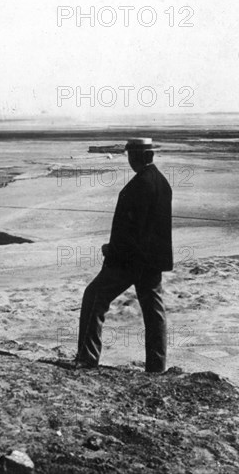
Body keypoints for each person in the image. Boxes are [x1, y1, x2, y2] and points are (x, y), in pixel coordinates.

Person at [76, 137, 173, 373]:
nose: (129, 159)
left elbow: (130, 232)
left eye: (130, 155)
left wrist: (112, 252)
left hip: (129, 261)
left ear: (137, 156)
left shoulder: (139, 185)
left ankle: (87, 359)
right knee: (154, 312)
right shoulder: (161, 182)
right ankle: (156, 366)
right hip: (152, 262)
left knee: (94, 297)